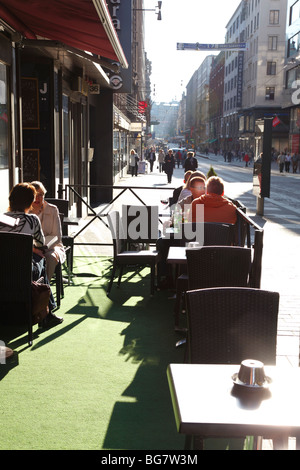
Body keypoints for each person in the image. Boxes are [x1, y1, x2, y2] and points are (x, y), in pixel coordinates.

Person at [0, 183, 63, 327]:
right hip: (22, 273)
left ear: (11, 200)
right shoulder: (32, 220)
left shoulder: (1, 218)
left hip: (2, 272)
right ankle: (47, 314)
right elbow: (41, 244)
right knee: (41, 259)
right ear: (29, 202)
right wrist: (34, 249)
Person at [30, 181, 66, 281]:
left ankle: (44, 289)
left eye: (41, 195)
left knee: (49, 257)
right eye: (35, 195)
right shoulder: (25, 211)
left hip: (52, 248)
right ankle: (31, 288)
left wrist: (42, 247)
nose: (38, 198)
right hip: (31, 248)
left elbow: (57, 237)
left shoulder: (52, 209)